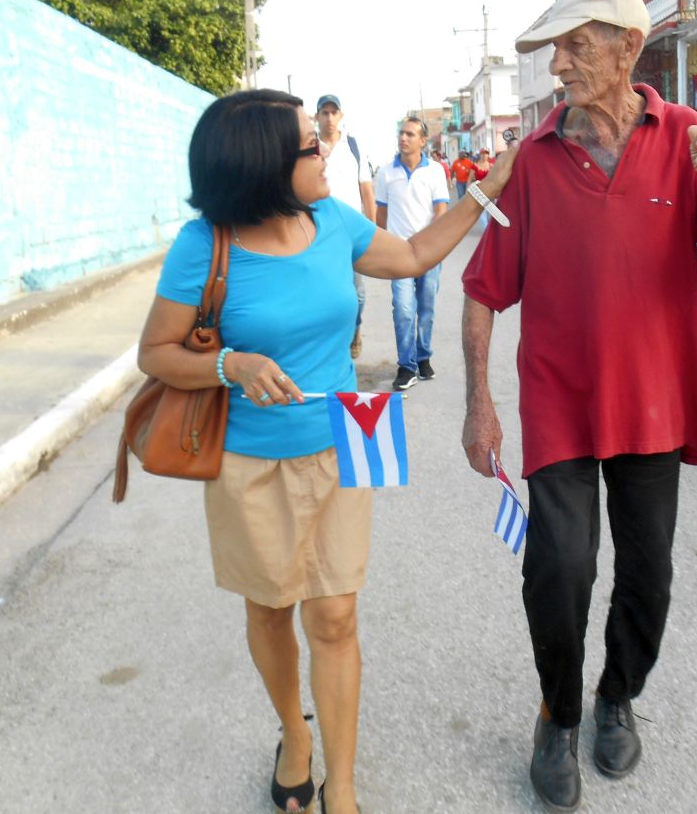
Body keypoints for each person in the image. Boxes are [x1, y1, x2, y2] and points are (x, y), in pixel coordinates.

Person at [138, 89, 517, 814]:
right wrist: (232, 366)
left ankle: (340, 786)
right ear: (264, 166)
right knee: (271, 610)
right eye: (312, 145)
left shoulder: (332, 219)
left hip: (349, 438)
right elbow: (154, 353)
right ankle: (294, 734)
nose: (327, 150)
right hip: (250, 462)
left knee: (336, 616)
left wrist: (482, 192)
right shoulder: (205, 246)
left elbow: (411, 254)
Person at [459, 0, 697, 813]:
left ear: (628, 47)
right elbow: (482, 288)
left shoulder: (688, 136)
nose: (559, 63)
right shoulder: (534, 157)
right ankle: (556, 710)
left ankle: (616, 693)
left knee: (648, 575)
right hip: (559, 402)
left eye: (577, 43)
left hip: (655, 401)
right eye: (555, 46)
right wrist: (480, 400)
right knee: (561, 567)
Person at [375, 117, 451, 390]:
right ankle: (406, 365)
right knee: (405, 309)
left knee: (426, 308)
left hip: (429, 252)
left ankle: (422, 357)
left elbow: (441, 211)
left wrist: (434, 243)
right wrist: (384, 245)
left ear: (423, 140)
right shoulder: (385, 173)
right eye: (401, 133)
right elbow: (381, 214)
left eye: (410, 134)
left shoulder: (435, 171)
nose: (403, 138)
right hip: (398, 254)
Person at [316, 94, 376, 360]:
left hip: (351, 231)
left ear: (341, 116)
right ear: (317, 116)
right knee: (323, 288)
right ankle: (331, 342)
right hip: (317, 230)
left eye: (333, 112)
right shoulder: (309, 147)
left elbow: (366, 189)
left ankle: (355, 328)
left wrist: (373, 228)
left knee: (358, 292)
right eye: (324, 113)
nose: (329, 118)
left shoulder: (353, 147)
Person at [468, 148, 495, 228]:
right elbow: (470, 178)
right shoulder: (475, 166)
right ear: (480, 154)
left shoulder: (491, 165)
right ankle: (486, 228)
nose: (484, 155)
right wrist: (469, 190)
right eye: (483, 153)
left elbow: (495, 178)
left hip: (490, 191)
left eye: (486, 153)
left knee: (491, 211)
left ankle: (490, 228)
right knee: (481, 211)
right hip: (479, 191)